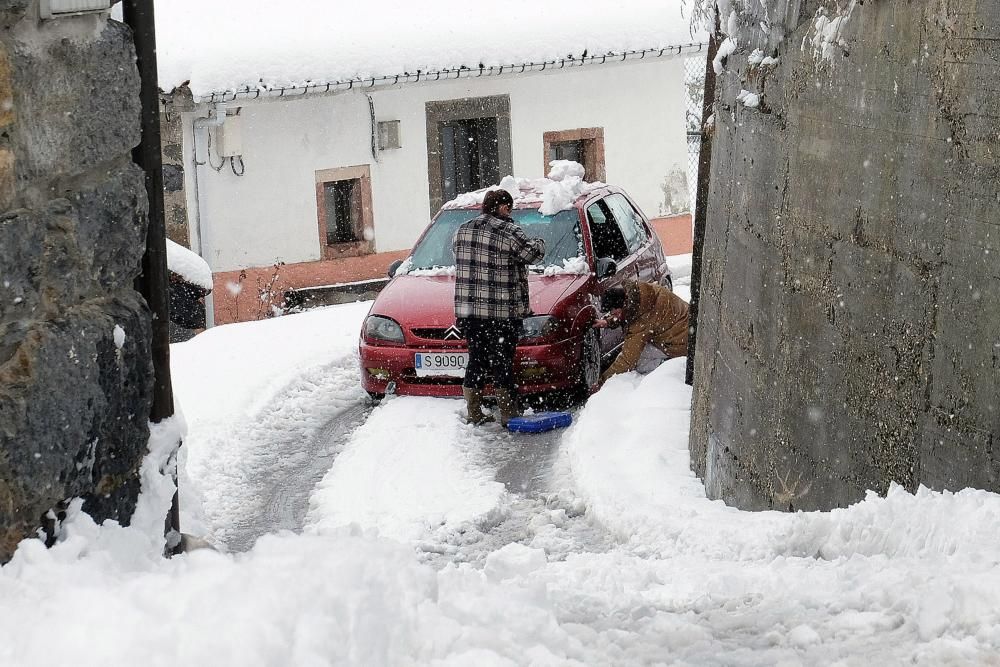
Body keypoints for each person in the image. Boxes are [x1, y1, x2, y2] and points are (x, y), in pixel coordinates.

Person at [454, 189, 545, 426]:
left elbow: (458, 253)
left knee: (476, 358)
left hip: (469, 312)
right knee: (502, 361)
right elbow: (533, 255)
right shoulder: (509, 231)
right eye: (509, 208)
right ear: (504, 207)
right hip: (501, 313)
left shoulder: (462, 230)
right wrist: (540, 242)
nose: (510, 213)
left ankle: (474, 411)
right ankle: (508, 413)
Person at [594, 280, 689, 383]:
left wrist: (602, 381)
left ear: (621, 305)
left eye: (614, 313)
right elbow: (625, 313)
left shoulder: (641, 319)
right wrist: (607, 322)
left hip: (680, 344)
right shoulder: (642, 293)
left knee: (638, 362)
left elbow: (627, 360)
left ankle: (667, 364)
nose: (613, 316)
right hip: (688, 328)